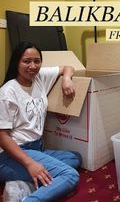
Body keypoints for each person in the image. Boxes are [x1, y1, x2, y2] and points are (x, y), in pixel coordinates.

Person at [0, 42, 82, 201]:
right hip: (11, 153)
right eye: (26, 61)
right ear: (16, 62)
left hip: (37, 148)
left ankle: (21, 184)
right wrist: (30, 163)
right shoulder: (7, 92)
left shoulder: (40, 77)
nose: (32, 66)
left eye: (37, 61)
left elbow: (68, 67)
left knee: (75, 157)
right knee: (69, 175)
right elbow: (2, 137)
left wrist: (66, 78)